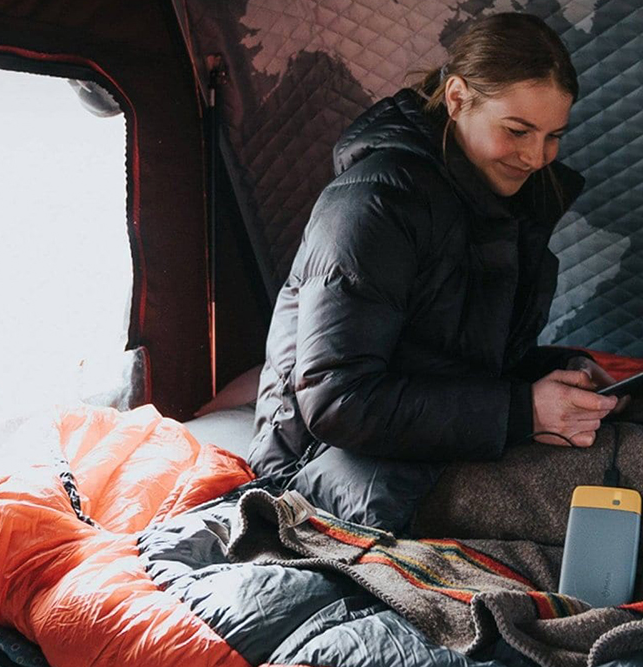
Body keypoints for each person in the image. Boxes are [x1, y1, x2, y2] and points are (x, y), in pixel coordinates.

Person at [248, 12, 624, 485]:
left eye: (553, 137)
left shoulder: (500, 202)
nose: (536, 158)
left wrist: (562, 374)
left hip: (435, 447)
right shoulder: (372, 205)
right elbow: (337, 402)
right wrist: (525, 412)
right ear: (456, 98)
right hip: (329, 464)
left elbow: (459, 362)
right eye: (517, 130)